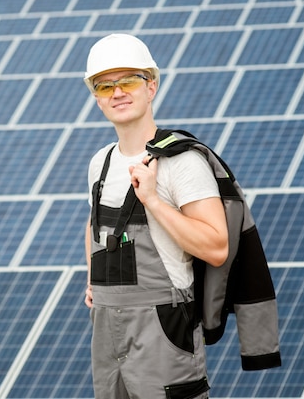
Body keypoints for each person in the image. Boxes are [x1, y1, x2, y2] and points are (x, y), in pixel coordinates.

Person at [83, 33, 229, 399]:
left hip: (163, 328)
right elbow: (94, 226)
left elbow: (216, 246)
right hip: (106, 327)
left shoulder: (182, 161)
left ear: (151, 87)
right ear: (96, 99)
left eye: (128, 81)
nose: (117, 93)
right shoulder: (100, 162)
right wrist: (93, 281)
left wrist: (153, 201)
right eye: (104, 86)